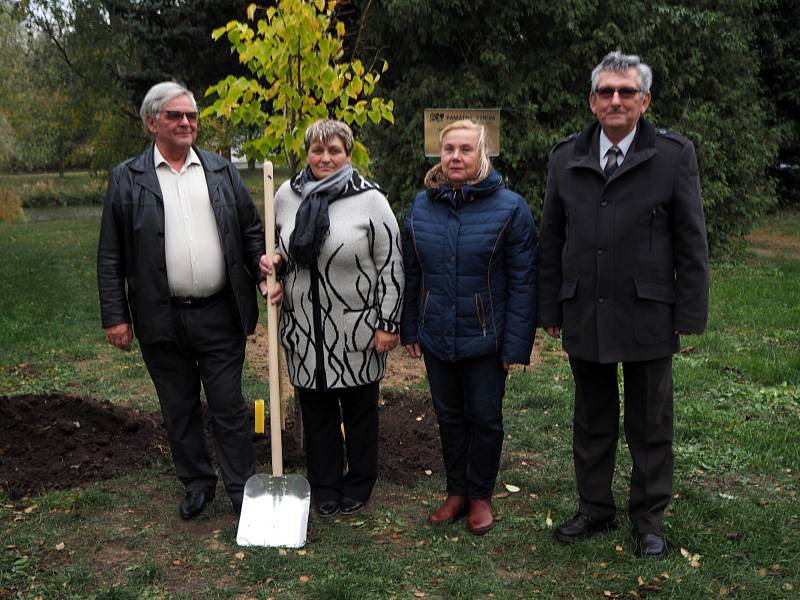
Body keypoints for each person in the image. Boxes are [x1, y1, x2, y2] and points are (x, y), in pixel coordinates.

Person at [538, 52, 709, 558]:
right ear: (592, 101)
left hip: (647, 311)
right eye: (607, 92)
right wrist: (550, 308)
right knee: (591, 418)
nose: (617, 100)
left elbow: (691, 240)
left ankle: (648, 517)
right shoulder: (565, 158)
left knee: (650, 421)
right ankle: (594, 507)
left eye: (627, 92)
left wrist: (691, 313)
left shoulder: (674, 155)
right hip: (585, 309)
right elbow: (552, 237)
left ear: (645, 100)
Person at [97, 81, 272, 520]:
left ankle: (241, 489)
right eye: (175, 116)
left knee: (229, 405)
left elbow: (250, 230)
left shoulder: (219, 172)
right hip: (160, 315)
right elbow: (110, 253)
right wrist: (115, 316)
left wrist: (262, 266)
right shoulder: (128, 178)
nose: (186, 123)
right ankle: (196, 483)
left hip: (219, 312)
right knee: (179, 406)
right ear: (151, 122)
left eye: (191, 116)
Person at [400, 120, 538, 535]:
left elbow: (524, 281)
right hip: (437, 337)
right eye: (449, 150)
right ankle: (455, 491)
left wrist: (514, 347)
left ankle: (480, 495)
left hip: (486, 341)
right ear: (439, 156)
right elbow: (411, 273)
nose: (456, 157)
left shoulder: (511, 208)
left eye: (465, 149)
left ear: (482, 156)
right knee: (449, 417)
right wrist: (410, 328)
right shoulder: (422, 208)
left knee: (484, 418)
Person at [263, 118, 403, 517]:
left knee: (360, 413)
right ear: (307, 153)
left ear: (348, 153)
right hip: (305, 330)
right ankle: (325, 485)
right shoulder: (286, 196)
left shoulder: (370, 199)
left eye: (334, 150)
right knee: (317, 413)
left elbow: (391, 263)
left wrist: (388, 323)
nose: (325, 158)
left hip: (356, 329)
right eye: (317, 150)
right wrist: (271, 271)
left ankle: (359, 483)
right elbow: (279, 252)